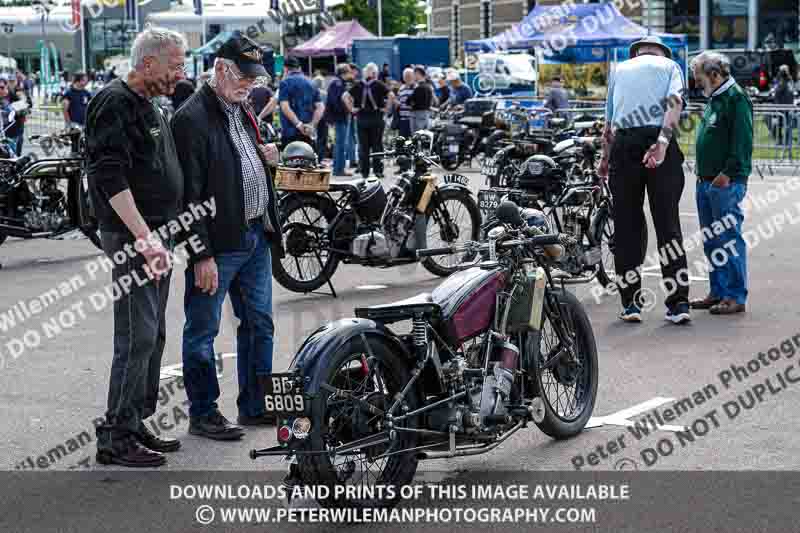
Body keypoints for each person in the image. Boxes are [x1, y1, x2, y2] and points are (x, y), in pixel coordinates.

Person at [172, 32, 284, 440]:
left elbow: (237, 161)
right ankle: (204, 412)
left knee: (260, 324)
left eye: (254, 78)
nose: (249, 84)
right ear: (220, 69)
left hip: (254, 233)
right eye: (243, 76)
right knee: (202, 329)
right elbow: (188, 196)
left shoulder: (242, 106)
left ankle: (256, 405)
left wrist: (265, 155)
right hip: (218, 245)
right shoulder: (191, 119)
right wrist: (200, 254)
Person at [87, 27, 188, 467]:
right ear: (148, 63)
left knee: (154, 334)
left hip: (155, 234)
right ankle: (116, 435)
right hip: (133, 237)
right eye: (175, 64)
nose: (181, 73)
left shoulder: (150, 104)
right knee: (137, 336)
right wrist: (145, 238)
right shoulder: (114, 102)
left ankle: (135, 420)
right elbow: (109, 175)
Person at [598, 36, 691, 324]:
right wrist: (663, 142)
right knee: (668, 224)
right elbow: (674, 104)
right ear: (661, 52)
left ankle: (631, 304)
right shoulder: (671, 66)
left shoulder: (620, 69)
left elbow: (609, 125)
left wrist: (604, 160)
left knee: (627, 225)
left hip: (625, 143)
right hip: (657, 136)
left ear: (636, 52)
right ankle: (678, 304)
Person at [689, 51, 753, 315]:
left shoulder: (735, 98)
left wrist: (727, 173)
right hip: (707, 182)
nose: (696, 83)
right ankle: (719, 291)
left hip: (724, 183)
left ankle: (735, 296)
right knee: (713, 241)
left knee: (727, 239)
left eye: (699, 77)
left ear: (714, 75)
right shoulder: (716, 98)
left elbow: (743, 141)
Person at [345, 62, 394, 179]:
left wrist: (352, 109)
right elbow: (391, 95)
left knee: (363, 146)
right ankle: (378, 171)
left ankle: (365, 172)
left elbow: (345, 96)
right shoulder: (379, 84)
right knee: (377, 145)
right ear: (374, 73)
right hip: (376, 117)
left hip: (361, 117)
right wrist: (386, 110)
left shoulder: (358, 85)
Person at [278, 56, 323, 148]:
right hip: (308, 131)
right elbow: (320, 107)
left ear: (285, 68)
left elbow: (285, 106)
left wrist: (298, 124)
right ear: (299, 68)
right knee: (307, 158)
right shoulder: (311, 82)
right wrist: (312, 125)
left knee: (291, 159)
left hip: (290, 131)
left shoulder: (285, 82)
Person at [326, 63, 353, 176]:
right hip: (340, 117)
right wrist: (344, 111)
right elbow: (336, 101)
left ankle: (339, 168)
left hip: (338, 117)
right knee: (341, 144)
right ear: (345, 72)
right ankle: (339, 169)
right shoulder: (338, 83)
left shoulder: (337, 83)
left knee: (340, 143)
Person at [409, 66, 434, 133]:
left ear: (418, 74)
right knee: (424, 136)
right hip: (426, 114)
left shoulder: (419, 87)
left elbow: (409, 100)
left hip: (418, 114)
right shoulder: (429, 86)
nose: (413, 76)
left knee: (417, 136)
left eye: (414, 74)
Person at [312, 75, 329, 160]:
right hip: (324, 118)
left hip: (313, 118)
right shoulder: (325, 94)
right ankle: (320, 157)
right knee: (322, 138)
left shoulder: (311, 92)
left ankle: (313, 155)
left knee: (313, 137)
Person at [396, 68, 415, 139]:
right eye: (406, 76)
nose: (408, 78)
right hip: (402, 120)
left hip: (412, 119)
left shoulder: (416, 87)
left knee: (413, 140)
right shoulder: (401, 88)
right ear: (403, 78)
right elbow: (398, 101)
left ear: (413, 76)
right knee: (402, 140)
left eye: (409, 76)